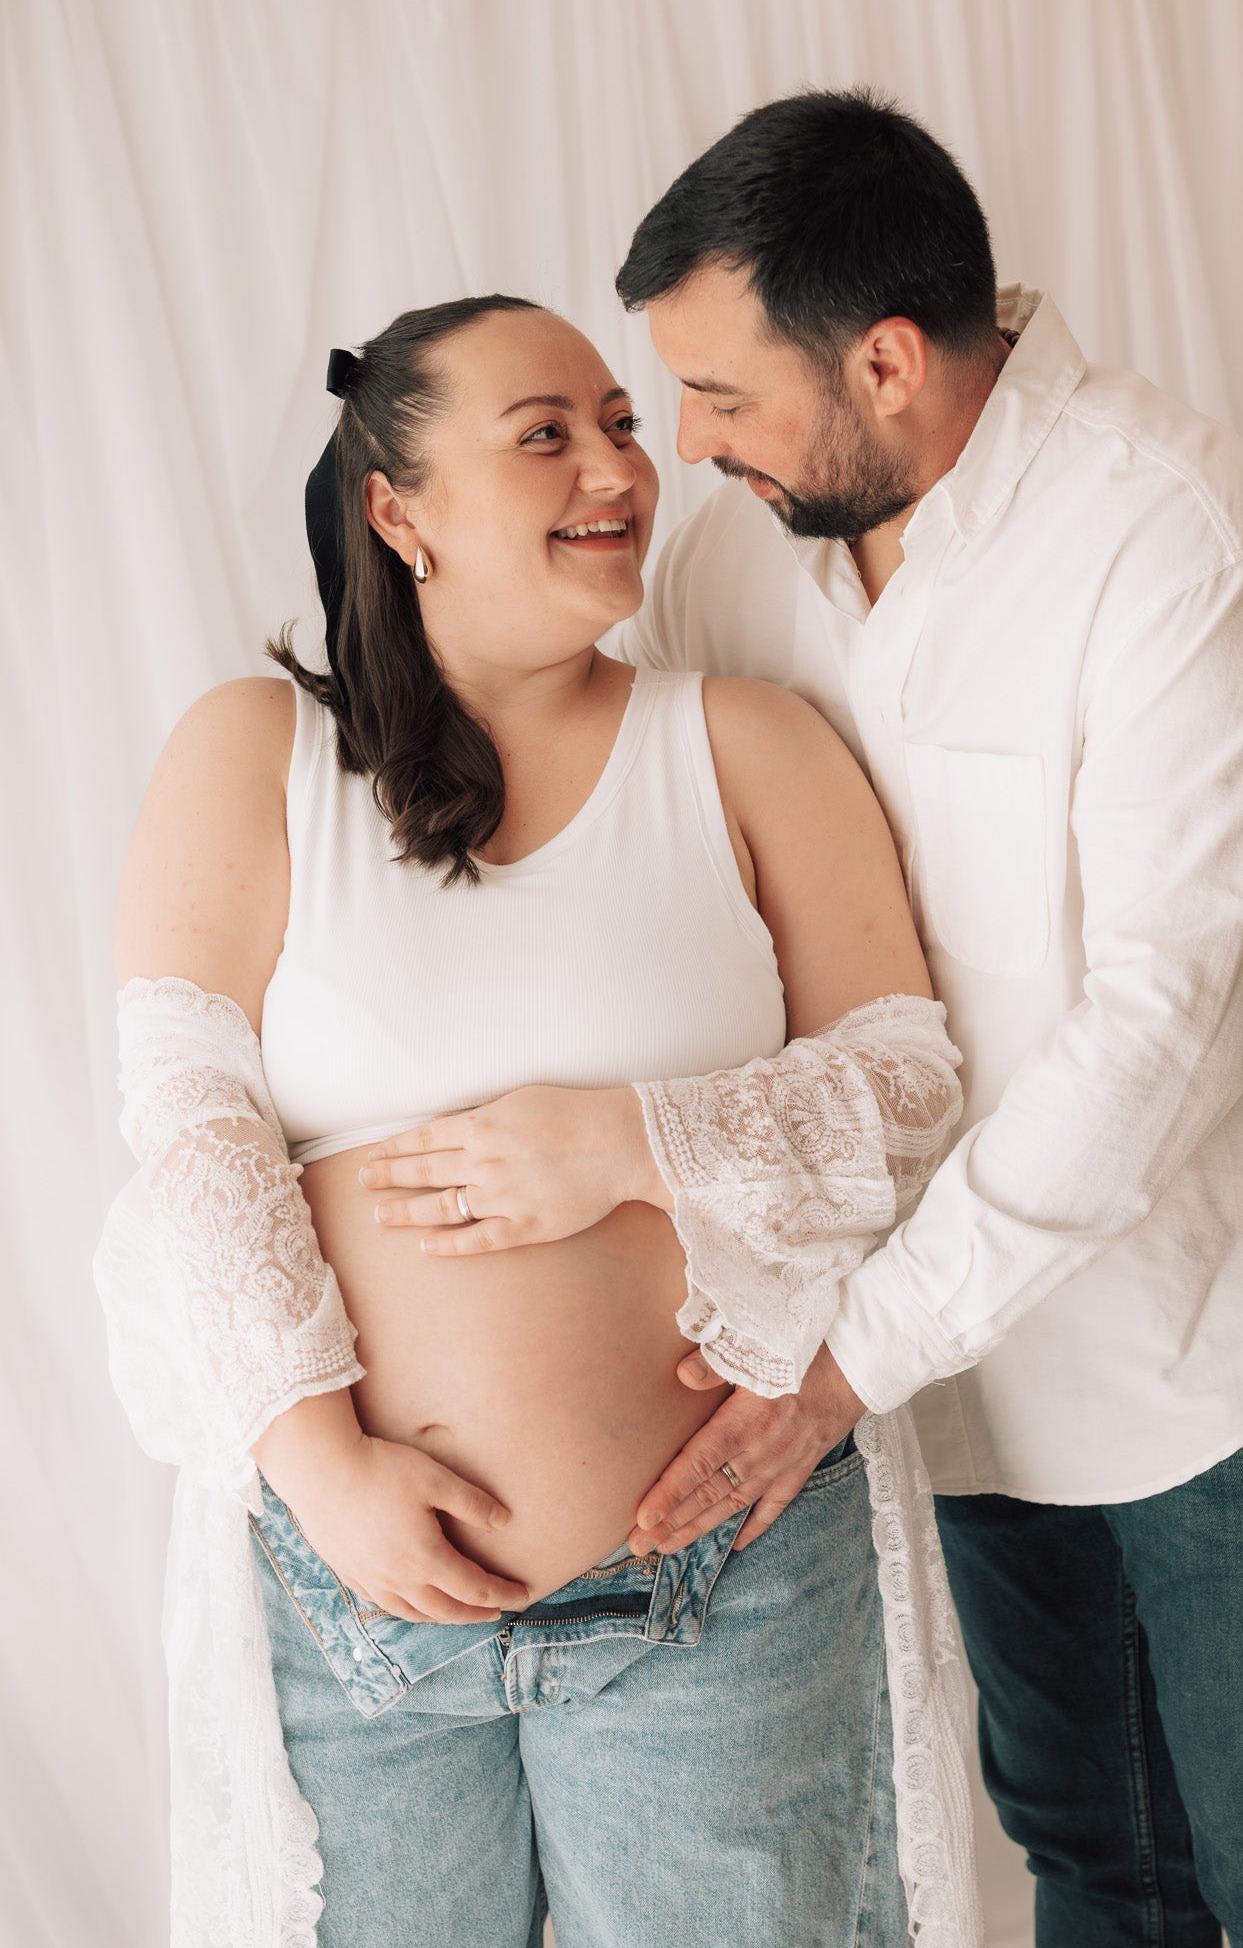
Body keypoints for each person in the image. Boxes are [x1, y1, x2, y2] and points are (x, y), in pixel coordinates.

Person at [96, 294, 982, 1946]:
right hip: (352, 1594)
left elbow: (912, 1093)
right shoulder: (254, 753)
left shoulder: (741, 742)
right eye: (546, 433)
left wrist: (626, 1140)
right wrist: (321, 1460)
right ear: (396, 508)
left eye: (622, 421)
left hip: (726, 1576)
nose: (616, 463)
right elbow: (192, 1138)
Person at [584, 86, 1243, 1948]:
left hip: (1225, 1359)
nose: (685, 450)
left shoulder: (1181, 543)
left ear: (884, 360)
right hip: (955, 1387)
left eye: (723, 396)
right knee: (1091, 1866)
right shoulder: (731, 569)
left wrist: (839, 1364)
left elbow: (1155, 1036)